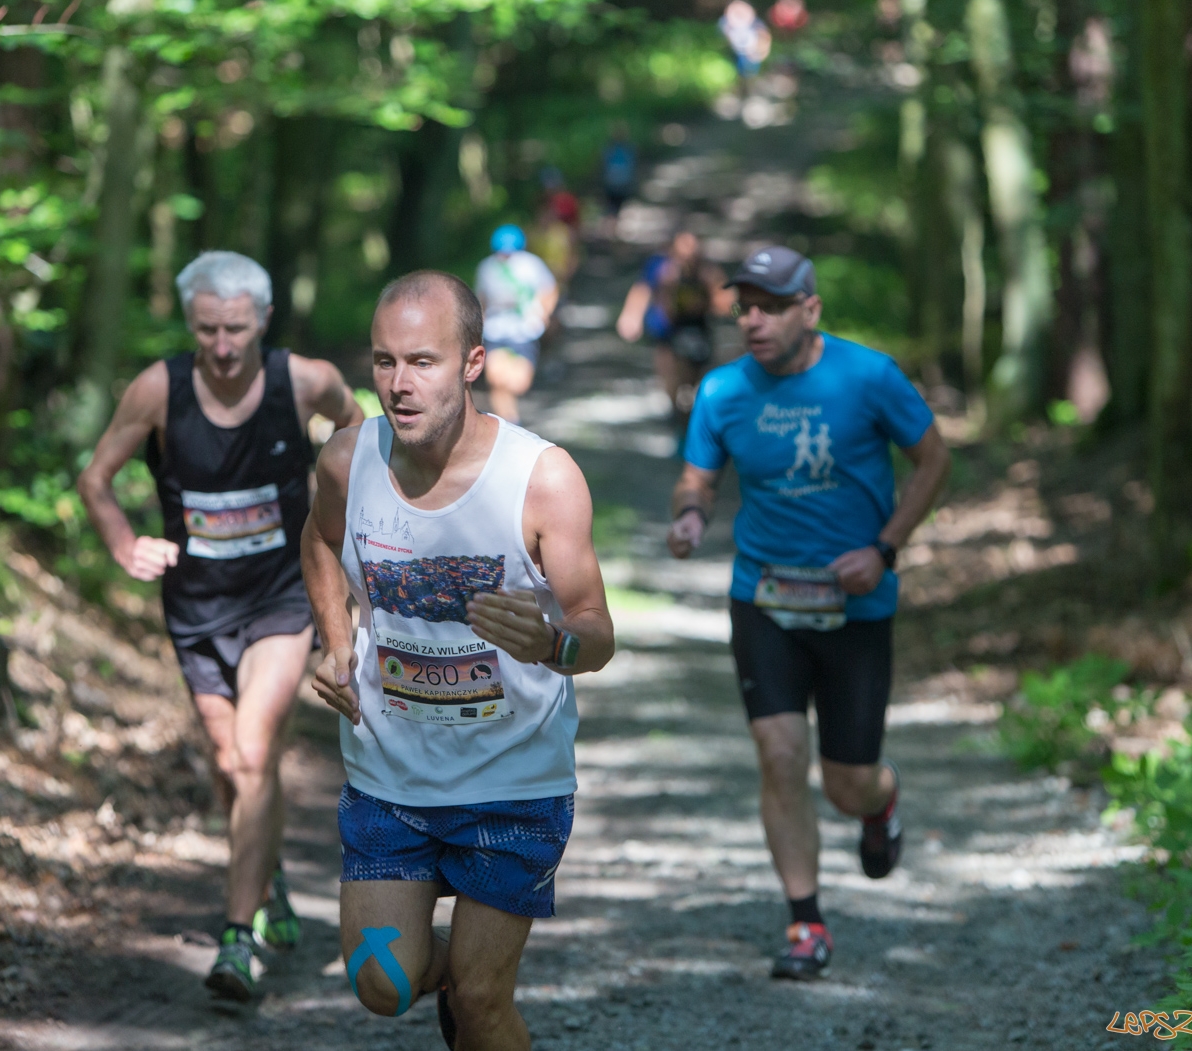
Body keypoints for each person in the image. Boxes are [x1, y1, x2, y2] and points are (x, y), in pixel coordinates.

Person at [301, 270, 613, 1050]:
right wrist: (336, 640)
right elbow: (318, 540)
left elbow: (597, 632)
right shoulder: (348, 459)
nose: (398, 386)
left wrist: (552, 643)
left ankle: (474, 994)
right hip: (389, 778)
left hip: (513, 784)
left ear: (473, 361)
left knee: (478, 1000)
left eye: (422, 361)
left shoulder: (541, 478)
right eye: (382, 363)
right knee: (383, 982)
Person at [77, 251, 365, 1001]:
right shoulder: (158, 389)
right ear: (190, 325)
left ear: (262, 321)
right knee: (225, 759)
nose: (224, 345)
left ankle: (237, 940)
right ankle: (264, 877)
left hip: (281, 595)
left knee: (252, 748)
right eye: (208, 329)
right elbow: (96, 477)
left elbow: (359, 433)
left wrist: (342, 518)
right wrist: (123, 542)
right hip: (197, 604)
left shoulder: (304, 380)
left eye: (236, 328)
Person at [664, 245, 950, 981]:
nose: (752, 319)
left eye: (770, 305)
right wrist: (692, 516)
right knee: (781, 754)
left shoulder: (869, 376)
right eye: (744, 305)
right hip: (764, 599)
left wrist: (884, 549)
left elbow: (933, 460)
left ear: (809, 310)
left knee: (847, 781)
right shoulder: (723, 390)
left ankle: (881, 804)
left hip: (856, 603)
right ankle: (805, 921)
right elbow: (697, 477)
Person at [616, 231, 733, 423]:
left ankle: (687, 414)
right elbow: (642, 289)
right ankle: (675, 411)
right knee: (670, 374)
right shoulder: (662, 269)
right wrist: (631, 316)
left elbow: (727, 303)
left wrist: (713, 305)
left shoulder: (707, 273)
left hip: (698, 332)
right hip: (668, 333)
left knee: (692, 382)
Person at [475, 225, 559, 426]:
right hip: (496, 331)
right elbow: (482, 300)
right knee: (496, 379)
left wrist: (543, 315)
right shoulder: (486, 268)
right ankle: (510, 423)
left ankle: (509, 420)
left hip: (525, 331)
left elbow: (550, 290)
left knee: (518, 382)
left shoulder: (532, 265)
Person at [718, 0, 773, 94]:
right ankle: (738, 89)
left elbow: (764, 37)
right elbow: (722, 37)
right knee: (736, 72)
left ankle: (749, 89)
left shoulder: (756, 22)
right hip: (734, 52)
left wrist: (760, 50)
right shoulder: (725, 22)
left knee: (750, 73)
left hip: (752, 53)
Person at [599, 123, 638, 231]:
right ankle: (612, 228)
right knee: (616, 208)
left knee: (612, 208)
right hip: (621, 184)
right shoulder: (628, 150)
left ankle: (611, 228)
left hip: (612, 184)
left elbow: (603, 165)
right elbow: (632, 166)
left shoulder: (609, 150)